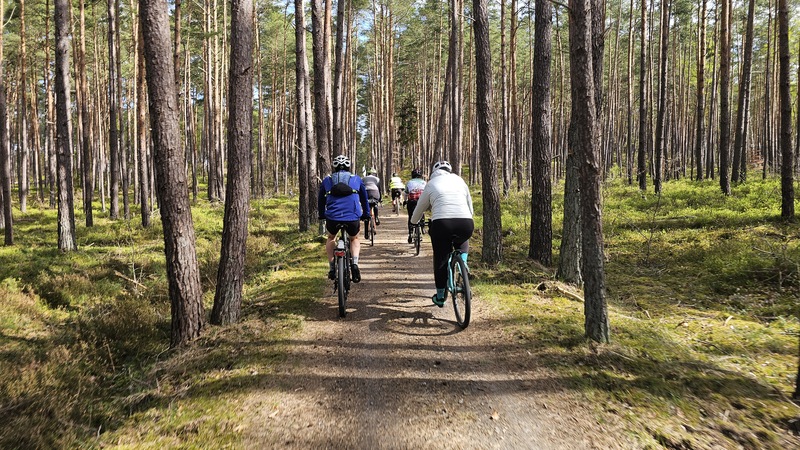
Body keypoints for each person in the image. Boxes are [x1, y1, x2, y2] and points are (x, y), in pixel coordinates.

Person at [410, 161, 473, 307]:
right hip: (466, 223)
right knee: (463, 243)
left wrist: (414, 222)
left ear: (434, 172)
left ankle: (440, 296)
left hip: (442, 224)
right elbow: (470, 206)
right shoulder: (460, 180)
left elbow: (420, 207)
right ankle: (463, 266)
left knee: (441, 259)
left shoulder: (431, 183)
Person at [318, 155, 371, 283]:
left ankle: (331, 267)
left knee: (331, 237)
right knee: (354, 238)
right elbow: (364, 199)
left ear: (335, 167)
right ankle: (355, 264)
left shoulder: (327, 180)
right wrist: (366, 214)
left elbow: (321, 200)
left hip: (332, 217)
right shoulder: (356, 179)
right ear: (348, 167)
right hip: (352, 216)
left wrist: (321, 214)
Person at [404, 168, 427, 243]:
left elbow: (406, 193)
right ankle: (423, 227)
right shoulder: (424, 182)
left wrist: (405, 201)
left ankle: (410, 233)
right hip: (421, 201)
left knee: (411, 216)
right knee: (422, 212)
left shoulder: (409, 182)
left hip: (412, 201)